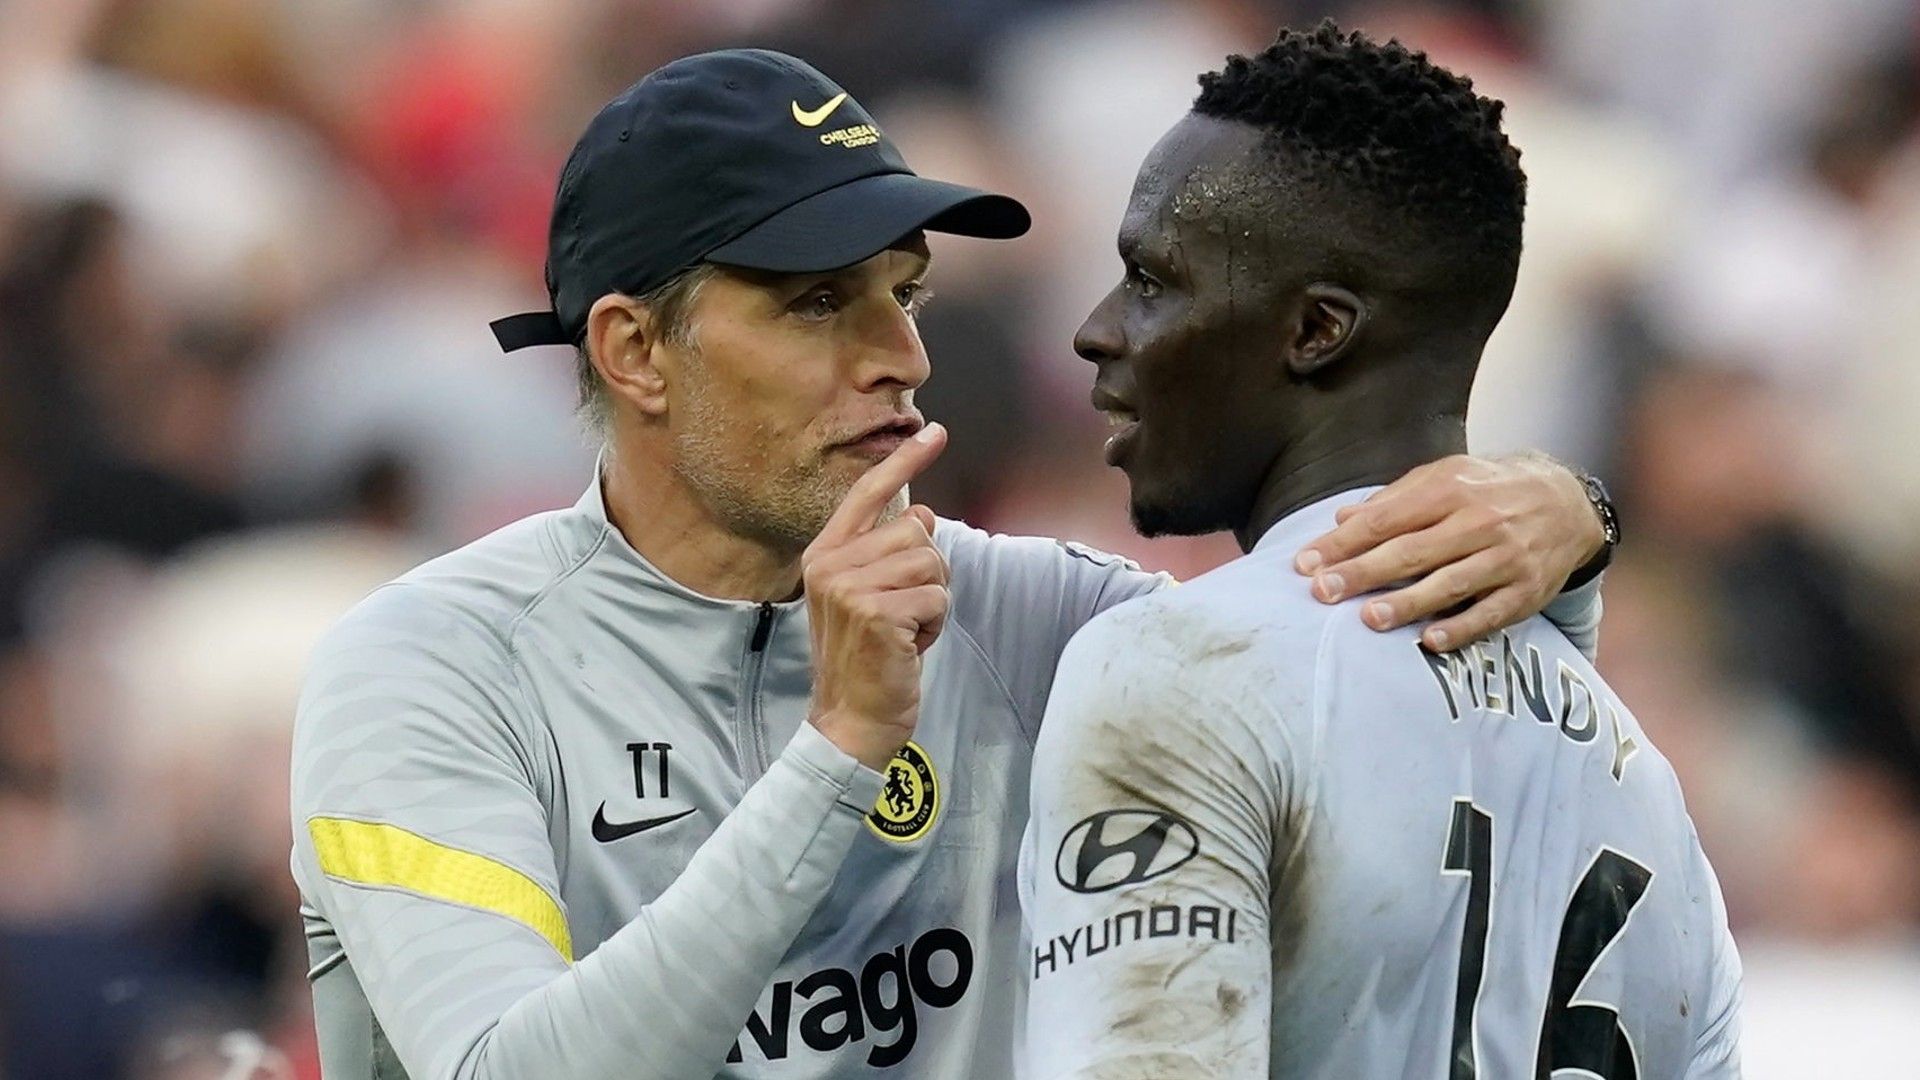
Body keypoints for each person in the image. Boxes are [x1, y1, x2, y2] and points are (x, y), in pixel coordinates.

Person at [289, 48, 1615, 1079]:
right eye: (819, 301)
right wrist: (838, 755)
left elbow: (1447, 755)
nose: (905, 357)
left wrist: (1567, 530)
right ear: (636, 352)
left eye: (905, 292)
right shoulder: (429, 671)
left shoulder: (1036, 619)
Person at [1020, 23, 1741, 1079]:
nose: (1098, 329)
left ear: (1317, 330)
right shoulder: (1651, 792)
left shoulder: (1180, 673)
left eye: (1151, 279)